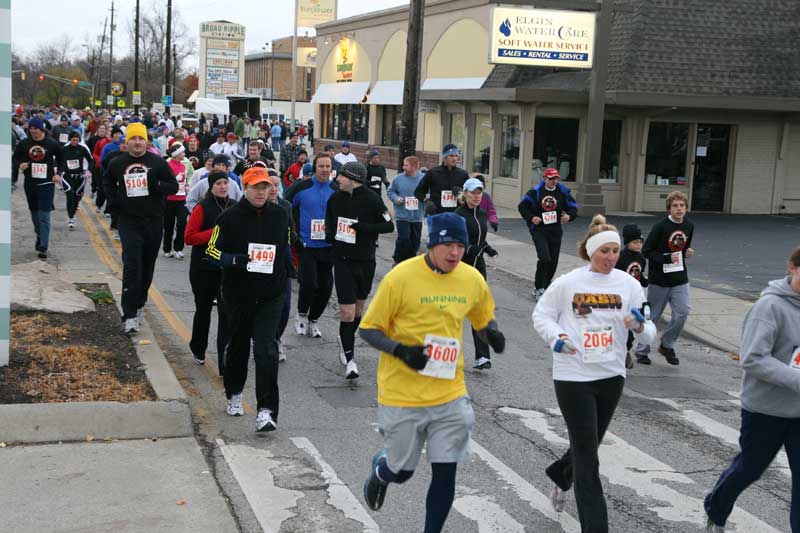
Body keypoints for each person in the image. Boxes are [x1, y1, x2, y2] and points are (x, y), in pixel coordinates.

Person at [359, 212, 506, 533]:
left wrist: (491, 332)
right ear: (432, 243)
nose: (455, 253)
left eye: (461, 246)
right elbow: (368, 329)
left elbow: (482, 316)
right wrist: (402, 351)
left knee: (445, 471)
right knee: (403, 471)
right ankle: (382, 471)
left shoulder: (471, 278)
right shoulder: (401, 277)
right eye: (448, 245)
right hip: (402, 392)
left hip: (449, 392)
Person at [532, 215, 655, 532]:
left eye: (615, 251)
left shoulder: (629, 285)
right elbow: (542, 315)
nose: (612, 257)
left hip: (611, 376)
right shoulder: (569, 283)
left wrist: (639, 325)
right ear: (590, 251)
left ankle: (561, 474)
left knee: (588, 444)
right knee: (589, 459)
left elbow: (649, 333)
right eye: (605, 251)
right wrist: (556, 338)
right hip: (573, 376)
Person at [704, 246, 800, 533]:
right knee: (750, 469)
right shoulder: (769, 307)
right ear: (792, 268)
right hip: (765, 410)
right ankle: (716, 506)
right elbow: (753, 359)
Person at [205, 167, 292, 432]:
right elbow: (211, 251)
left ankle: (266, 411)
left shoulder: (281, 214)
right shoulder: (228, 217)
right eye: (255, 187)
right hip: (239, 294)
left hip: (271, 294)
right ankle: (234, 393)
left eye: (265, 187)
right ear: (245, 188)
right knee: (239, 347)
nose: (261, 192)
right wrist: (234, 260)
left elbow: (287, 243)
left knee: (266, 350)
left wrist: (290, 267)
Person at [105, 122, 178, 334]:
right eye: (132, 139)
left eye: (140, 139)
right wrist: (113, 203)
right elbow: (107, 182)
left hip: (154, 221)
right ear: (126, 142)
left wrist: (156, 185)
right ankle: (128, 313)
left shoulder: (157, 163)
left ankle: (139, 304)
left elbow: (173, 186)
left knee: (146, 267)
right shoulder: (118, 162)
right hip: (129, 221)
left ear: (146, 141)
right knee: (132, 265)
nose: (137, 143)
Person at [324, 161, 394, 379]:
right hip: (342, 260)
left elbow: (388, 225)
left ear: (353, 179)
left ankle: (345, 338)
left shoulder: (372, 199)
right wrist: (332, 236)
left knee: (358, 311)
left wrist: (362, 228)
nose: (337, 179)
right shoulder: (335, 198)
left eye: (341, 176)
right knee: (347, 312)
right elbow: (329, 222)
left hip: (365, 261)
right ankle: (350, 360)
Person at [634, 191, 695, 366]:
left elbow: (682, 249)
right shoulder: (660, 226)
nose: (679, 209)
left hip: (680, 277)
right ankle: (642, 350)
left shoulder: (689, 226)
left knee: (682, 313)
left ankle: (667, 345)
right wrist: (666, 258)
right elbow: (647, 251)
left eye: (682, 205)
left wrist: (687, 253)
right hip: (659, 278)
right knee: (652, 316)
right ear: (669, 208)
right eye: (675, 206)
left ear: (686, 208)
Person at [184, 171, 232, 374]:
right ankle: (198, 349)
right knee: (203, 311)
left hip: (226, 270)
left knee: (226, 315)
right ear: (210, 187)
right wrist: (215, 232)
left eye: (225, 183)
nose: (222, 186)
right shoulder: (202, 208)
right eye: (218, 183)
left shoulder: (235, 206)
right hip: (203, 268)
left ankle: (224, 362)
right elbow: (189, 237)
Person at [290, 153, 337, 338]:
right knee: (309, 283)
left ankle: (314, 319)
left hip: (328, 246)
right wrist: (294, 237)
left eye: (328, 167)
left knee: (326, 287)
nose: (325, 170)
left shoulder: (336, 189)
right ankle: (301, 315)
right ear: (315, 168)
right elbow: (287, 208)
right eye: (321, 166)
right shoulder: (301, 187)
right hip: (306, 245)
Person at [455, 178, 499, 370]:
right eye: (472, 192)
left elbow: (480, 239)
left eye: (479, 193)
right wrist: (470, 249)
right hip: (460, 268)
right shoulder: (458, 215)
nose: (476, 196)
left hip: (478, 267)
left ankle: (482, 357)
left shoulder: (481, 214)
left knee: (479, 311)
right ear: (465, 194)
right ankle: (446, 353)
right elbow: (456, 241)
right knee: (454, 312)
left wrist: (487, 249)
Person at [518, 167, 578, 300]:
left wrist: (569, 216)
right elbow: (522, 206)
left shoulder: (562, 192)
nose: (554, 181)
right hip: (539, 229)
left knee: (553, 261)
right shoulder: (536, 192)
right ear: (545, 179)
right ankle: (538, 287)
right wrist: (532, 217)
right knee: (544, 257)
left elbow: (573, 207)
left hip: (555, 230)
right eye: (551, 179)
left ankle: (545, 286)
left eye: (556, 178)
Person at [11, 116, 64, 259]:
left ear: (41, 129)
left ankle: (43, 247)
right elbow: (15, 158)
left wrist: (58, 173)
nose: (33, 131)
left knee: (44, 215)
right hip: (30, 183)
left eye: (35, 129)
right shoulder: (24, 143)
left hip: (47, 183)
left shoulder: (51, 144)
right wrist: (20, 164)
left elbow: (61, 159)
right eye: (31, 129)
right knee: (35, 215)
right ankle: (40, 235)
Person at [266, 172, 299, 362]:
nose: (273, 189)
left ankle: (276, 338)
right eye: (269, 185)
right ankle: (263, 339)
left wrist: (300, 246)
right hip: (262, 263)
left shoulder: (285, 205)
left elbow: (291, 231)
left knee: (285, 306)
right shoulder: (258, 206)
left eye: (276, 185)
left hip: (282, 261)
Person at [614, 224, 649, 369]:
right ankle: (619, 354)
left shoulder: (641, 259)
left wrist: (645, 281)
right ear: (627, 242)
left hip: (635, 299)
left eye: (640, 242)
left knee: (631, 330)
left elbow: (639, 275)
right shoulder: (620, 258)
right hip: (620, 298)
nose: (638, 245)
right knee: (620, 327)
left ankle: (626, 349)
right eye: (635, 242)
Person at [387, 156, 424, 264]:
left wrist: (426, 197)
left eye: (406, 165)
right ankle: (398, 259)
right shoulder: (398, 179)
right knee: (404, 238)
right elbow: (390, 191)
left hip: (417, 216)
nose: (403, 167)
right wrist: (396, 198)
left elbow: (429, 192)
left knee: (415, 241)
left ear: (414, 167)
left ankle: (410, 260)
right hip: (402, 215)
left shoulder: (423, 179)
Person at [414, 144, 469, 215]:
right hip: (437, 215)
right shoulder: (433, 173)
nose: (454, 158)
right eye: (451, 156)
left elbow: (470, 196)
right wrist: (426, 201)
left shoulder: (463, 174)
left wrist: (461, 194)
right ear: (444, 157)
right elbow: (418, 192)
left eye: (456, 156)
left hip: (456, 216)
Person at [163, 143, 193, 259]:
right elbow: (166, 180)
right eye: (182, 153)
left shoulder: (183, 165)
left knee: (182, 224)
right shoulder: (168, 165)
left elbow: (185, 179)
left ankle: (178, 249)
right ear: (176, 154)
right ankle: (167, 248)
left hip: (182, 199)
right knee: (169, 225)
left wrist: (186, 185)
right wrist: (175, 180)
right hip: (170, 199)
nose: (184, 154)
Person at [60, 131, 93, 229]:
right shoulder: (64, 149)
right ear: (70, 140)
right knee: (70, 195)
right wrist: (57, 171)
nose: (75, 142)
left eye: (77, 140)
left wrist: (88, 171)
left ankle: (74, 210)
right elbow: (57, 160)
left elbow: (91, 160)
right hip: (67, 176)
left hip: (79, 177)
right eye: (73, 140)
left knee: (77, 197)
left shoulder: (82, 149)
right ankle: (71, 218)